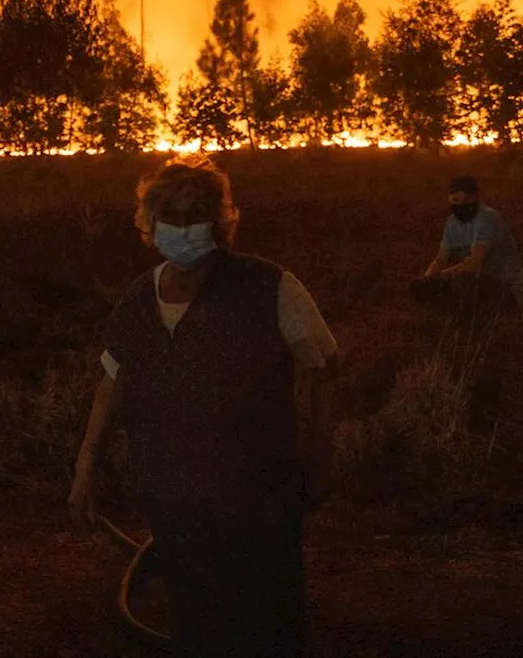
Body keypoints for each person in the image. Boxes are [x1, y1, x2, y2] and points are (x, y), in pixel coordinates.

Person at [69, 154, 338, 658]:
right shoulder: (139, 298)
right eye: (170, 216)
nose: (183, 229)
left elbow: (321, 367)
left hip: (258, 498)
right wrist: (86, 467)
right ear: (150, 224)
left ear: (220, 221)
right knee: (195, 615)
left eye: (196, 216)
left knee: (266, 618)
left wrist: (318, 459)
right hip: (171, 495)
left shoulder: (270, 286)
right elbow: (113, 382)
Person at [409, 175, 523, 316]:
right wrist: (427, 279)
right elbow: (440, 258)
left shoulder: (487, 218)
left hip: (504, 285)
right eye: (455, 200)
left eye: (466, 199)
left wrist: (442, 276)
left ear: (476, 198)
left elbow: (474, 263)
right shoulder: (452, 222)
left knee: (462, 284)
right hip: (475, 281)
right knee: (419, 287)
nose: (460, 204)